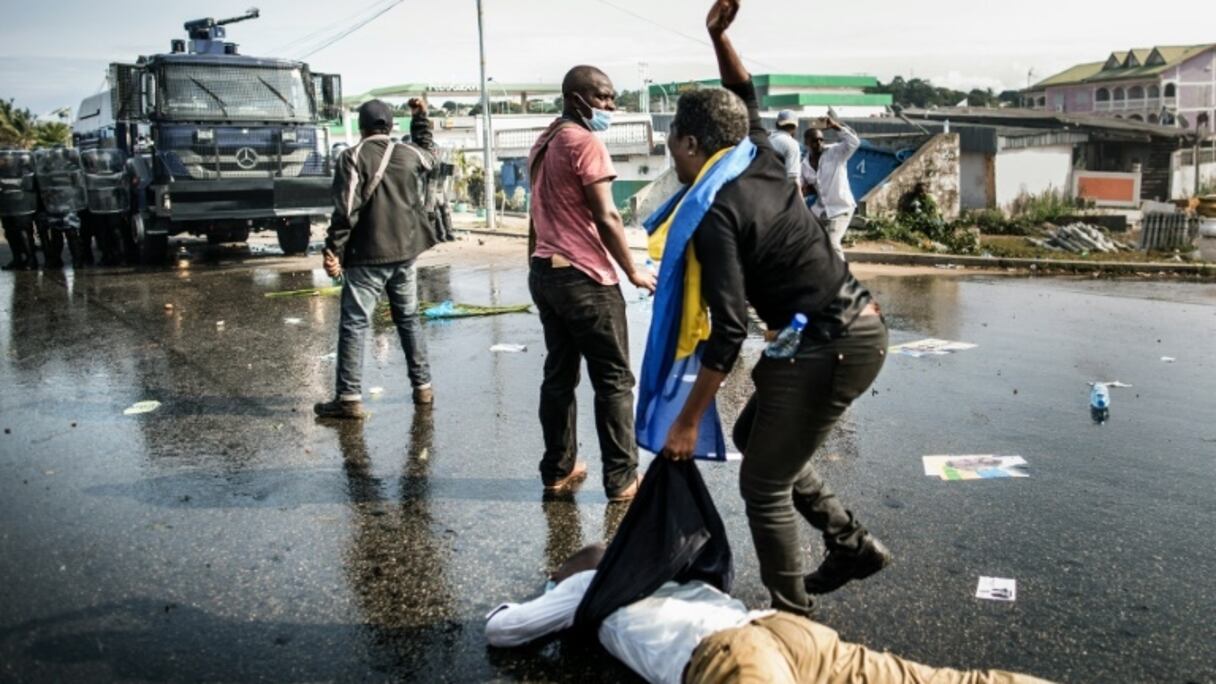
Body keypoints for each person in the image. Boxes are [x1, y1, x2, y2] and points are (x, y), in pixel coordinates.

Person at [656, 0, 891, 616]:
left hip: (829, 345)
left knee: (762, 484)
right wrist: (718, 36)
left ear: (689, 144)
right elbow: (740, 92)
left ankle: (792, 620)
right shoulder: (752, 153)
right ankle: (851, 544)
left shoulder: (714, 210)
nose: (671, 160)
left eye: (671, 148)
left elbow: (729, 330)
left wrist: (685, 422)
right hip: (846, 331)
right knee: (750, 432)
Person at [485, 543, 1051, 684]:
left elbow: (503, 630)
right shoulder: (668, 563)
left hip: (728, 658)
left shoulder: (586, 583)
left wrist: (543, 594)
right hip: (778, 629)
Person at [526, 64, 656, 501]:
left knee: (559, 376)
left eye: (612, 98)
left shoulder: (544, 141)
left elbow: (537, 213)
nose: (611, 106)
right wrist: (634, 271)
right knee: (614, 380)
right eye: (603, 97)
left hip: (546, 273)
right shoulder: (585, 142)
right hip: (585, 279)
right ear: (576, 97)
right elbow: (607, 215)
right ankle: (622, 480)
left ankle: (557, 469)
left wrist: (535, 265)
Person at [314, 99, 437, 420]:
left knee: (355, 323)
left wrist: (333, 250)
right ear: (391, 127)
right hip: (406, 253)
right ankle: (423, 388)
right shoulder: (410, 154)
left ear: (361, 127)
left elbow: (345, 210)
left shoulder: (352, 157)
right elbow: (431, 154)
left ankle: (349, 398)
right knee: (408, 319)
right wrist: (420, 117)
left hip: (368, 255)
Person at [801, 117, 860, 260]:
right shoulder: (803, 165)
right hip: (821, 211)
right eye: (815, 140)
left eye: (821, 139)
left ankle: (842, 278)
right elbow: (800, 188)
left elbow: (854, 142)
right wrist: (805, 190)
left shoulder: (835, 153)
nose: (819, 143)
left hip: (841, 208)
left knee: (832, 243)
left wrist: (836, 126)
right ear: (806, 142)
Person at [406, 97, 456, 243]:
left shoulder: (418, 127)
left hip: (428, 170)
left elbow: (420, 140)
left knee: (430, 205)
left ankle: (435, 235)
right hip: (438, 173)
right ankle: (448, 233)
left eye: (412, 109)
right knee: (442, 204)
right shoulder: (434, 143)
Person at [770, 110, 803, 186]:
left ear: (776, 125)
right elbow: (793, 179)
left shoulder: (766, 140)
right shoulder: (791, 144)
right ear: (795, 127)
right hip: (780, 191)